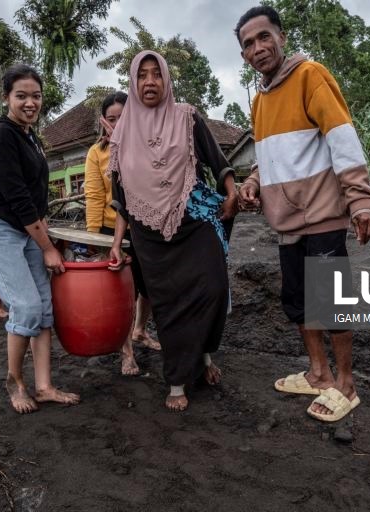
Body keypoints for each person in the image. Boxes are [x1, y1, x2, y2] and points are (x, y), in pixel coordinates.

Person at [235, 6, 370, 422]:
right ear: (243, 55)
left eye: (264, 37)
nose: (258, 48)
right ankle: (319, 373)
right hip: (286, 222)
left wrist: (360, 199)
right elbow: (269, 156)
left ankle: (346, 385)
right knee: (297, 302)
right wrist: (253, 181)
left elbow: (341, 137)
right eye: (248, 44)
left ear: (281, 36)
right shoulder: (259, 102)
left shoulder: (309, 76)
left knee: (329, 303)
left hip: (322, 214)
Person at [108, 50, 238, 411]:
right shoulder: (122, 133)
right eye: (142, 75)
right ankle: (179, 379)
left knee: (212, 288)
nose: (150, 82)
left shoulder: (187, 117)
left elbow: (217, 160)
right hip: (149, 234)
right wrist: (118, 244)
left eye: (157, 74)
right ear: (133, 83)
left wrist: (231, 190)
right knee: (170, 305)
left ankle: (205, 355)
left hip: (194, 220)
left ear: (166, 79)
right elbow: (119, 195)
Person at [0, 63, 80, 414]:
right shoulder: (0, 134)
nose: (30, 102)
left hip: (27, 227)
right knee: (27, 306)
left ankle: (44, 386)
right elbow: (15, 195)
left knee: (44, 307)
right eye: (21, 96)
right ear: (6, 98)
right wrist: (47, 247)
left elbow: (36, 194)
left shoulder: (30, 136)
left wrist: (47, 235)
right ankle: (14, 381)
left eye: (36, 96)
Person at [84, 91, 162, 376]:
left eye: (123, 117)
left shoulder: (149, 144)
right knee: (124, 292)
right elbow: (94, 195)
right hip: (111, 230)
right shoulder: (97, 153)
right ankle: (126, 351)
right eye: (112, 119)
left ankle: (140, 330)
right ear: (104, 122)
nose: (117, 124)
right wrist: (93, 237)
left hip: (146, 227)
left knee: (149, 287)